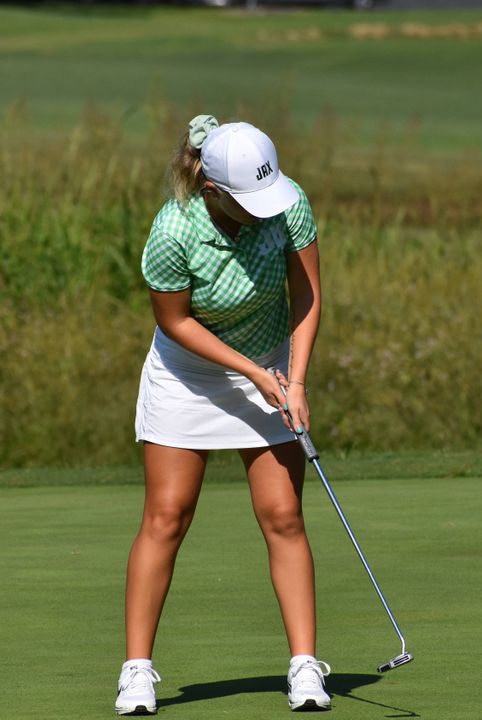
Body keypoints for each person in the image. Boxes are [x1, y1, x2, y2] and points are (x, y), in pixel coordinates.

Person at [116, 115, 328, 716]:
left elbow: (307, 296)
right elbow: (174, 321)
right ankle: (137, 672)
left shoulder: (288, 206)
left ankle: (305, 665)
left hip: (270, 361)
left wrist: (296, 377)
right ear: (213, 190)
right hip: (190, 373)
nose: (263, 208)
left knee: (283, 513)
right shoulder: (173, 229)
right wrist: (255, 374)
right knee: (167, 515)